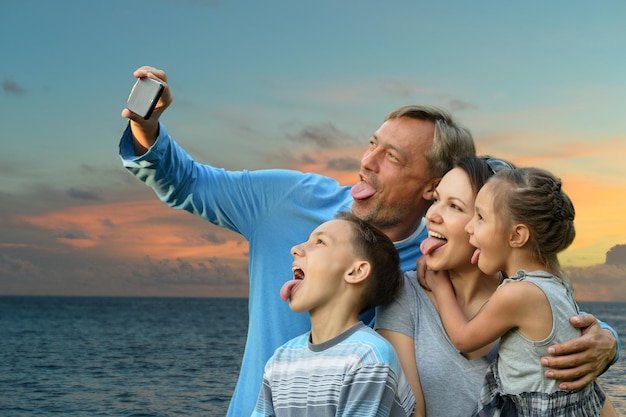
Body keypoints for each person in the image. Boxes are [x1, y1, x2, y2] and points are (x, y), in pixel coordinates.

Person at [119, 66, 619, 417]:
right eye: (372, 144)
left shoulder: (439, 263)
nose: (368, 162)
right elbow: (183, 181)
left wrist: (602, 342)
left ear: (433, 188)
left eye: (394, 158)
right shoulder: (287, 201)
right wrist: (147, 124)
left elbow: (525, 259)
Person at [375, 157, 619, 417]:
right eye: (435, 200)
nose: (431, 215)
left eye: (456, 207)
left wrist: (608, 343)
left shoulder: (521, 297)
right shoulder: (405, 295)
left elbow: (582, 396)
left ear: (513, 233)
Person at [251, 212, 417, 417]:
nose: (295, 249)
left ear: (356, 272)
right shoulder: (281, 359)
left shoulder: (370, 357)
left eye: (320, 242)